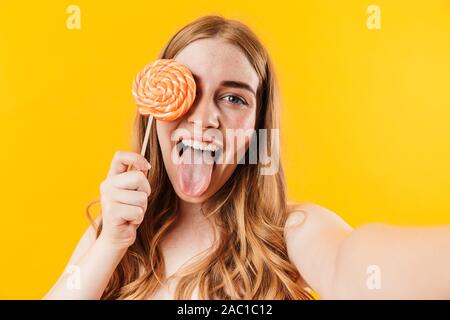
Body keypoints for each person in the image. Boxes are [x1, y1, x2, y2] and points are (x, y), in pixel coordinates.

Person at [45, 15, 450, 300]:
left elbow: (352, 268)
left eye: (233, 97)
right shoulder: (115, 236)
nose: (204, 119)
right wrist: (111, 243)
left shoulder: (290, 233)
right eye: (190, 89)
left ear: (257, 128)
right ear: (155, 106)